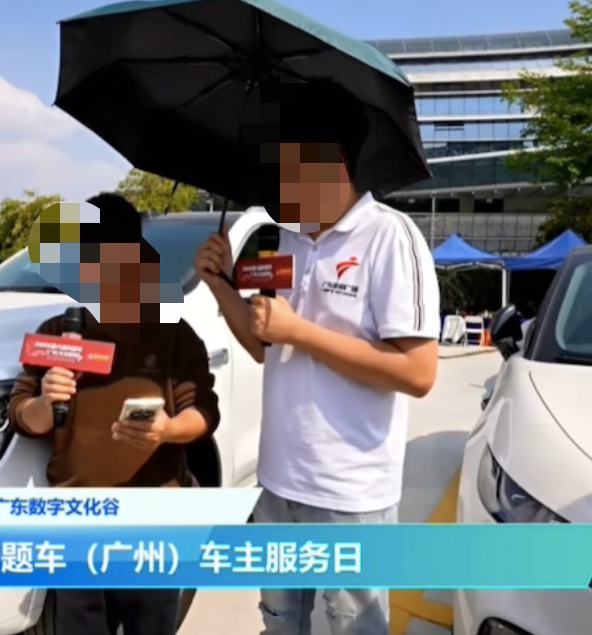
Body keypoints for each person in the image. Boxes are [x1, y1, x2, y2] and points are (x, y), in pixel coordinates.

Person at [193, 86, 441, 635]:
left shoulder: (390, 237)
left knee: (357, 625)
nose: (280, 185)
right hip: (280, 480)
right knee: (280, 621)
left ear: (333, 163)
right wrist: (220, 285)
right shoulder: (286, 241)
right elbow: (264, 346)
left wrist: (301, 332)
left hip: (350, 492)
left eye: (289, 168)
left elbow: (418, 372)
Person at [7, 192, 220, 635]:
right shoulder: (58, 333)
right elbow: (22, 415)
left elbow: (203, 413)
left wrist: (167, 429)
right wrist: (44, 403)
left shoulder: (172, 335)